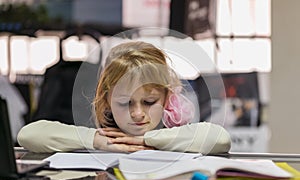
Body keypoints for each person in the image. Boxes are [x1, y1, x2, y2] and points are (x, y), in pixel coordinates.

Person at [17, 41, 231, 154]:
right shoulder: (101, 135)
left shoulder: (174, 134)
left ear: (167, 98)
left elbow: (220, 139)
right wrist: (97, 140)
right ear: (107, 100)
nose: (137, 113)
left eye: (149, 102)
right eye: (124, 103)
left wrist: (147, 140)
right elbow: (28, 135)